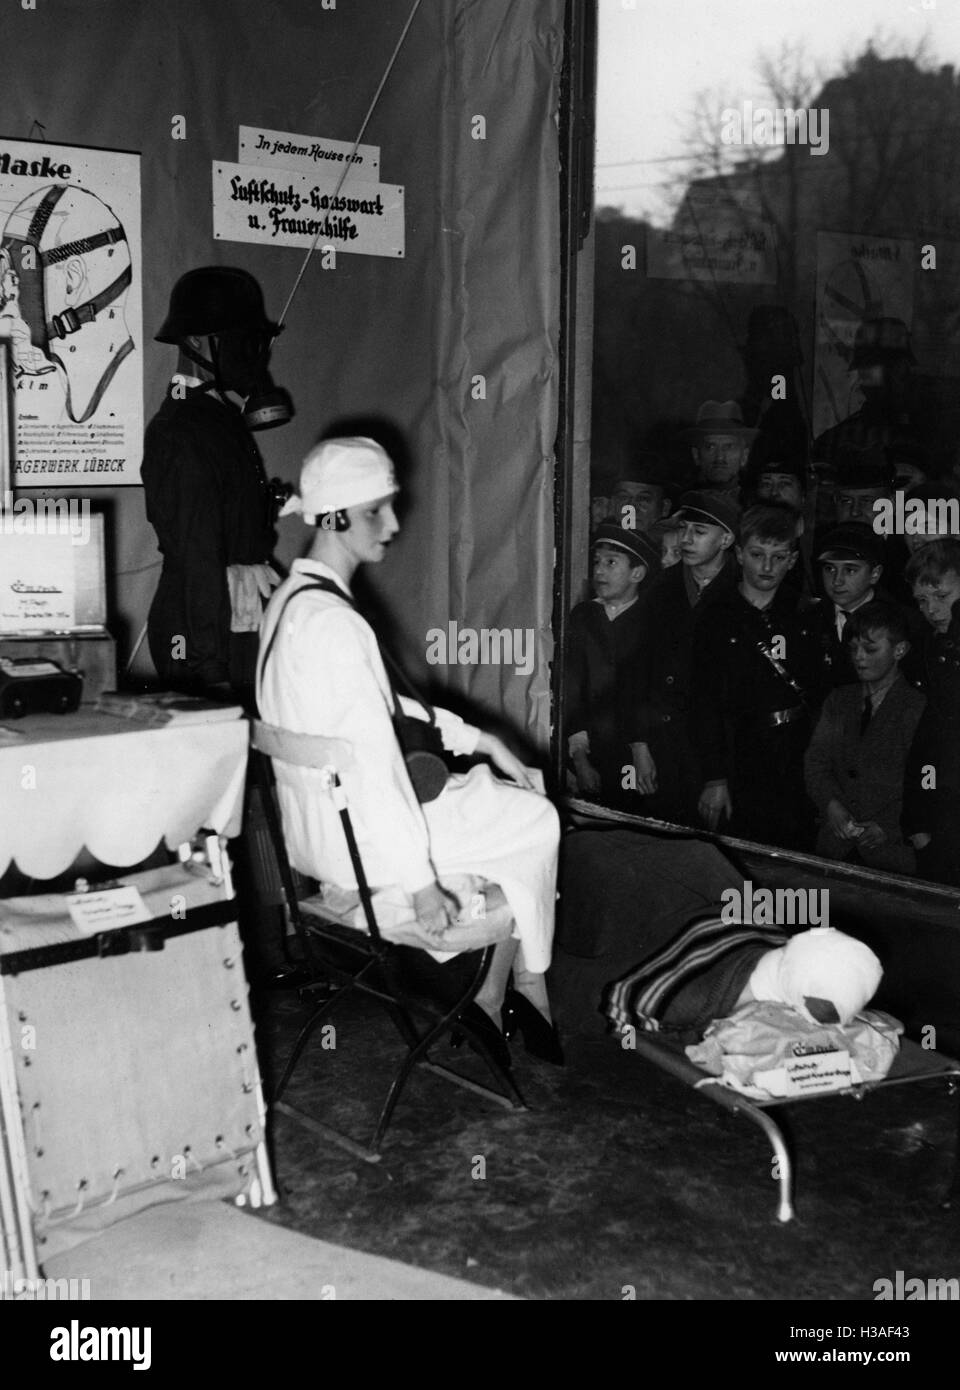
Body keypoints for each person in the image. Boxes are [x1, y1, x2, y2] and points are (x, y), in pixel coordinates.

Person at [257, 436, 563, 1064]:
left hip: (313, 835)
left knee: (499, 805)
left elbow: (390, 710)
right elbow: (375, 770)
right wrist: (423, 886)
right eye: (377, 511)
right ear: (336, 516)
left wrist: (485, 742)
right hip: (360, 848)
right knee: (538, 819)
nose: (394, 525)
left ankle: (506, 986)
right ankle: (516, 984)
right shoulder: (338, 626)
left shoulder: (289, 604)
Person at [141, 267, 284, 702]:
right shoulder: (180, 429)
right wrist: (210, 668)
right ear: (198, 342)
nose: (253, 354)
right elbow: (198, 555)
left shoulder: (216, 416)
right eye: (240, 340)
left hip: (236, 618)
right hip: (202, 628)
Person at [689, 503, 825, 849]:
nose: (767, 567)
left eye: (779, 557)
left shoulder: (805, 613)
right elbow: (702, 702)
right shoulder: (715, 615)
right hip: (739, 751)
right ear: (739, 554)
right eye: (757, 554)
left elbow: (823, 693)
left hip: (799, 750)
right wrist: (715, 776)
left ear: (793, 560)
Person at [621, 490, 739, 825]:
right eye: (684, 529)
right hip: (666, 745)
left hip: (724, 755)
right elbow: (634, 671)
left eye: (699, 532)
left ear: (726, 539)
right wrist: (639, 745)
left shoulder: (743, 590)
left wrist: (720, 777)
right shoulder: (660, 590)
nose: (686, 540)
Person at [804, 602, 925, 874]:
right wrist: (830, 805)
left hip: (891, 856)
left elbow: (926, 784)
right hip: (834, 849)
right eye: (853, 648)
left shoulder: (918, 708)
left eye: (870, 649)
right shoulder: (839, 700)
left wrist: (891, 827)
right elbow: (815, 763)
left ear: (900, 650)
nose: (859, 657)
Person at [566, 522, 660, 805]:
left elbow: (649, 692)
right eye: (596, 562)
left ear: (637, 573)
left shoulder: (652, 621)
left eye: (611, 563)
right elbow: (572, 686)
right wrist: (579, 757)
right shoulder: (583, 616)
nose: (599, 571)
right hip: (589, 746)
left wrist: (641, 747)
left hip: (640, 750)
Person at [902, 539, 960, 886]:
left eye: (942, 596)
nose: (932, 610)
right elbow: (927, 739)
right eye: (922, 601)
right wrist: (916, 822)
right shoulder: (929, 649)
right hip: (942, 812)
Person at [679, 400, 757, 497]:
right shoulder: (681, 502)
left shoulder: (756, 503)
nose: (720, 457)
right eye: (710, 447)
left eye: (729, 447)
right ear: (696, 455)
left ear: (744, 456)